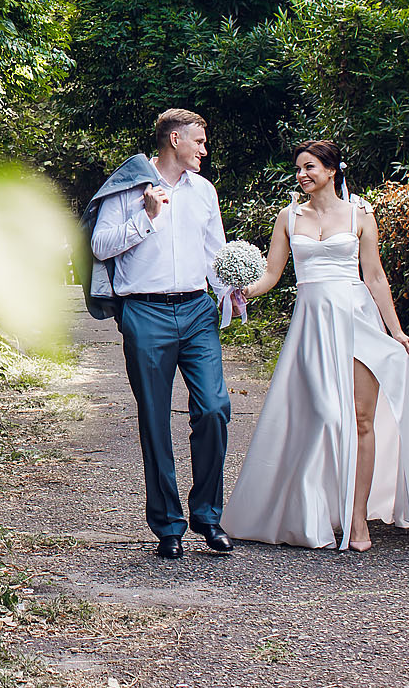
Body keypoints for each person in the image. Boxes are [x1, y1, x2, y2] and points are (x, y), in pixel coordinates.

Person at [223, 140, 409, 551]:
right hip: (312, 325)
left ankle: (356, 519)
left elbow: (375, 277)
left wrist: (397, 331)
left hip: (357, 320)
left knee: (361, 419)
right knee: (324, 414)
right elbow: (272, 274)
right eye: (298, 168)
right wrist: (244, 290)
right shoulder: (288, 217)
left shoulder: (360, 214)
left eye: (310, 167)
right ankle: (311, 511)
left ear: (332, 170)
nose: (302, 175)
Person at [82, 109, 245, 559]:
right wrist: (147, 217)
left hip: (196, 310)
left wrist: (234, 285)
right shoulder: (130, 187)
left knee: (214, 408)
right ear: (175, 140)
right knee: (154, 420)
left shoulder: (204, 191)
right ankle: (168, 525)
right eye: (199, 142)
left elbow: (216, 252)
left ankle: (207, 516)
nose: (204, 151)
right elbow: (99, 245)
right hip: (145, 312)